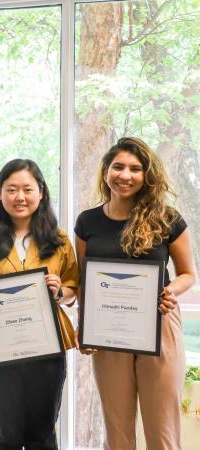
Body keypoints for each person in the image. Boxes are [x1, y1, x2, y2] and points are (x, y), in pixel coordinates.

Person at [74, 137, 196, 450]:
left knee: (162, 430)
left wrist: (171, 290)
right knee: (117, 430)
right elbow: (85, 281)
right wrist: (84, 327)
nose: (125, 175)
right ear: (105, 172)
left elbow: (188, 274)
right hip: (108, 333)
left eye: (135, 168)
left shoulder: (167, 218)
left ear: (146, 175)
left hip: (160, 325)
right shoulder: (87, 222)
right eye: (118, 167)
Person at [0, 159, 79, 450]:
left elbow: (73, 290)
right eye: (11, 189)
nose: (20, 197)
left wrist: (59, 291)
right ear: (0, 193)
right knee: (5, 435)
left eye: (27, 189)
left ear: (41, 192)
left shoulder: (59, 240)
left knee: (42, 435)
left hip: (47, 349)